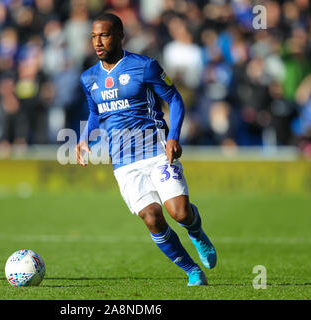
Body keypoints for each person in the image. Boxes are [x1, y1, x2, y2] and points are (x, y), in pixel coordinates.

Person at [75, 13, 216, 286]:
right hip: (124, 163)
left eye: (104, 35)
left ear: (119, 36)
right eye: (94, 36)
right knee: (151, 218)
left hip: (156, 151)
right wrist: (84, 138)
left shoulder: (145, 66)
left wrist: (173, 136)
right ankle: (192, 270)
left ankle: (196, 231)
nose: (98, 42)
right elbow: (96, 111)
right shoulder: (88, 78)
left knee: (180, 213)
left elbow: (174, 99)